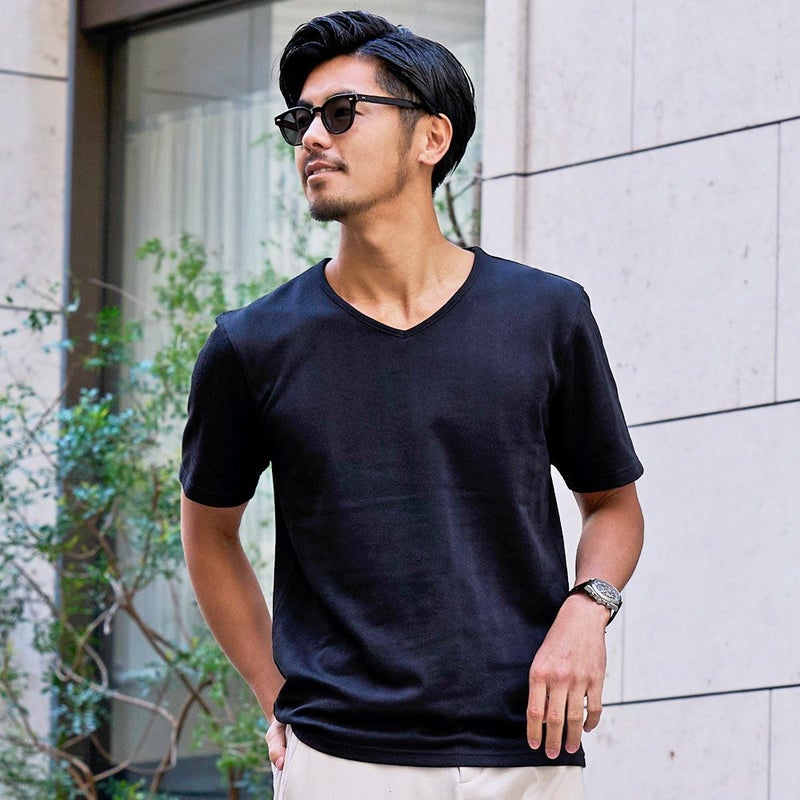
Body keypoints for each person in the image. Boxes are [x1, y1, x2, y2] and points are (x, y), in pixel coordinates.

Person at [180, 10, 644, 800]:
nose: (311, 138)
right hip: (342, 759)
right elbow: (209, 534)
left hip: (528, 751)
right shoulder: (252, 345)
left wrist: (586, 612)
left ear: (432, 137)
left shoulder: (546, 316)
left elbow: (613, 506)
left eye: (341, 112)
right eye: (299, 120)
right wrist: (275, 691)